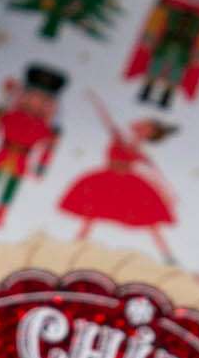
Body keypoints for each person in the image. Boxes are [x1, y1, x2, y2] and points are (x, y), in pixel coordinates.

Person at [56, 98, 178, 258]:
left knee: (148, 219)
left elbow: (145, 164)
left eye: (145, 126)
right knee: (91, 213)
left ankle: (167, 254)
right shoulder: (124, 138)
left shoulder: (133, 144)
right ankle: (76, 244)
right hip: (107, 179)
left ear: (148, 133)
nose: (140, 124)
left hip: (123, 182)